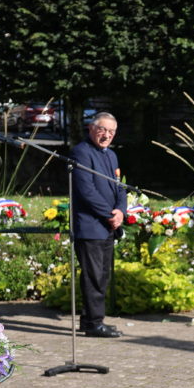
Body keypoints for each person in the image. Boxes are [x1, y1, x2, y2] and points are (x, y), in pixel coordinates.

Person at [72, 112, 127, 338]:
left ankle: (91, 320)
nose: (107, 135)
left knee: (102, 276)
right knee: (93, 276)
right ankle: (94, 323)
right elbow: (86, 191)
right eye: (103, 130)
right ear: (91, 128)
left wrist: (121, 211)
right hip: (90, 225)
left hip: (108, 226)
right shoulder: (81, 153)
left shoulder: (111, 156)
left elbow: (119, 186)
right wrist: (109, 214)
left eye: (111, 132)